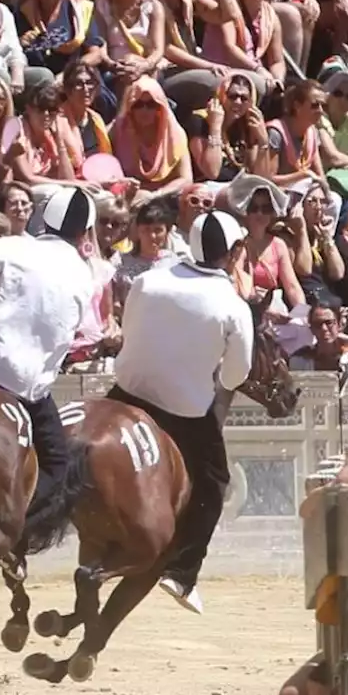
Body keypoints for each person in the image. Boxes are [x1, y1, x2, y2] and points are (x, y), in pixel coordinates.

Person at [0, 185, 96, 575]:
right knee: (58, 466)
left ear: (42, 219)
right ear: (84, 234)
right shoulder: (84, 275)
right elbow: (65, 340)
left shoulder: (8, 247)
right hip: (22, 388)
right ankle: (10, 532)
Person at [107, 211, 255, 614]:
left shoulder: (149, 280)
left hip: (126, 392)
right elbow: (235, 374)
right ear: (235, 251)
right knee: (213, 482)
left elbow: (129, 327)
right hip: (182, 410)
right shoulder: (232, 304)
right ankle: (183, 571)